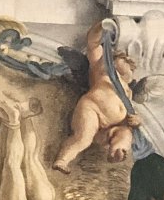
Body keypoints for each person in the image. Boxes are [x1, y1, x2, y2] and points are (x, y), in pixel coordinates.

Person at [53, 21, 141, 174]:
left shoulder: (127, 90)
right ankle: (63, 160)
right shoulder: (100, 67)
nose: (124, 67)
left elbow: (129, 118)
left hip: (113, 127)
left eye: (128, 67)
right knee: (83, 138)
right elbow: (93, 43)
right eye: (121, 63)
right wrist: (101, 26)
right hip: (92, 110)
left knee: (126, 134)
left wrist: (136, 120)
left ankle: (116, 151)